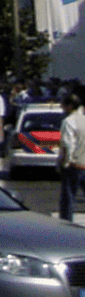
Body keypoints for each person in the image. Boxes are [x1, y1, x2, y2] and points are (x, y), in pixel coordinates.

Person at [58, 91, 85, 224]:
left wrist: (65, 162)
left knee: (68, 198)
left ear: (69, 106)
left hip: (73, 165)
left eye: (63, 104)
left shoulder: (68, 121)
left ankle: (66, 224)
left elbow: (68, 144)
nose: (61, 106)